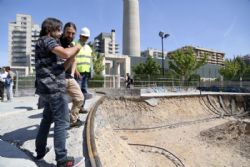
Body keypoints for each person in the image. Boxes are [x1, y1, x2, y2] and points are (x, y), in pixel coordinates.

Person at [34, 17, 82, 167]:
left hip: (47, 88)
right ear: (50, 29)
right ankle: (62, 159)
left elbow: (62, 68)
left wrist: (72, 55)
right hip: (54, 88)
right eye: (59, 29)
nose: (60, 33)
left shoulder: (46, 44)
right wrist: (77, 48)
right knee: (62, 121)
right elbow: (66, 54)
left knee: (47, 119)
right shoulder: (47, 40)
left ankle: (40, 151)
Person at [60, 22, 85, 128]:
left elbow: (74, 60)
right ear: (63, 31)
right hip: (58, 78)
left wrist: (72, 73)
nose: (70, 35)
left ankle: (73, 120)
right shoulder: (57, 42)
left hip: (68, 77)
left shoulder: (71, 45)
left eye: (73, 33)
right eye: (68, 32)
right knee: (59, 106)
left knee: (80, 98)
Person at [73, 27, 93, 111]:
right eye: (84, 36)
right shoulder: (74, 44)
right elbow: (72, 58)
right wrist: (75, 70)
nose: (85, 38)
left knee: (84, 90)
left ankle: (81, 107)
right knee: (77, 92)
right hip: (77, 72)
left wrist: (91, 72)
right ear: (80, 36)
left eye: (87, 37)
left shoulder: (89, 48)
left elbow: (90, 61)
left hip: (86, 73)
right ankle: (76, 109)